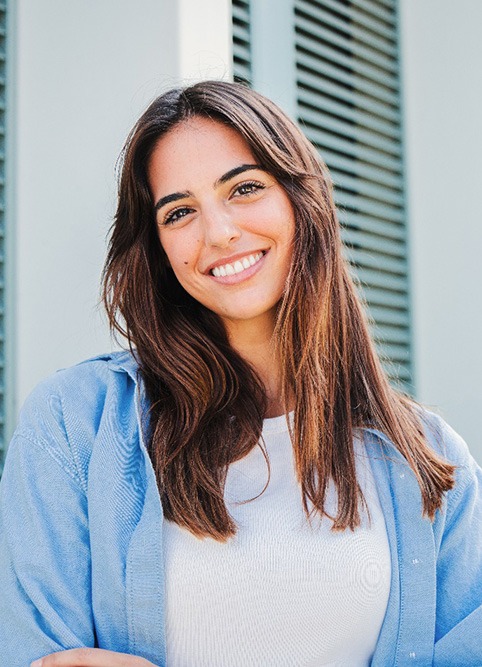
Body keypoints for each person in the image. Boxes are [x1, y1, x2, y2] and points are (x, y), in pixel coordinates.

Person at [0, 80, 481, 667]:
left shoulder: (428, 459)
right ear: (157, 246)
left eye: (245, 188)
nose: (219, 232)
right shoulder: (75, 425)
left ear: (302, 200)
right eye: (179, 212)